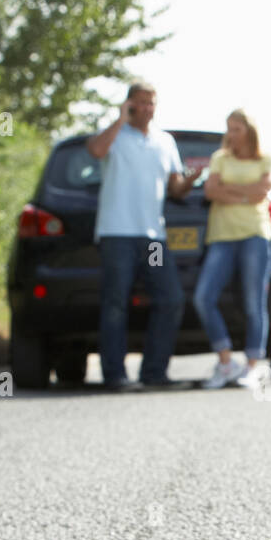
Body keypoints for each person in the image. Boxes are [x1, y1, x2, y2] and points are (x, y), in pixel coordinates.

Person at [86, 83, 199, 389]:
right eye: (140, 103)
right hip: (116, 233)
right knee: (115, 304)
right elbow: (95, 150)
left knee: (170, 298)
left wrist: (192, 180)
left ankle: (154, 372)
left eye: (151, 103)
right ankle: (115, 376)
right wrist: (121, 119)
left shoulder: (165, 141)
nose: (147, 109)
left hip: (153, 238)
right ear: (129, 104)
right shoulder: (114, 136)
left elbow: (175, 188)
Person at [193, 109, 271, 390]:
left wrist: (230, 191)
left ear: (249, 131)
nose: (231, 134)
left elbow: (262, 192)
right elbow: (211, 192)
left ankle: (252, 366)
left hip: (255, 234)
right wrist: (245, 193)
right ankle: (226, 362)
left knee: (254, 302)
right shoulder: (220, 158)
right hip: (221, 236)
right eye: (229, 128)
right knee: (204, 297)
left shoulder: (265, 159)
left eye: (236, 128)